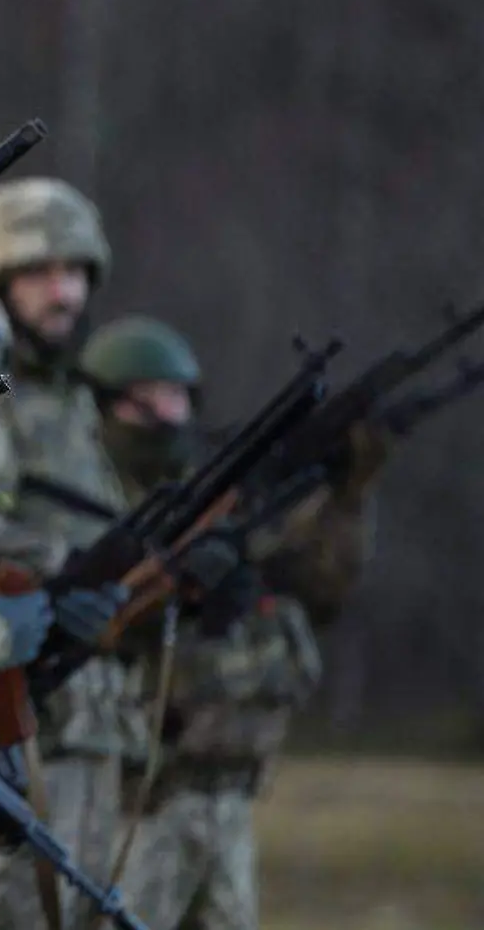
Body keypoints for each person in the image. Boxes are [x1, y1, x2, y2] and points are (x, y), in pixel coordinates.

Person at [79, 315, 380, 930]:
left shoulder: (219, 501)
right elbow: (104, 618)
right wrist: (181, 587)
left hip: (230, 793)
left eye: (178, 397)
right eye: (147, 402)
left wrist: (348, 497)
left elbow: (318, 587)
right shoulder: (92, 504)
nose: (168, 415)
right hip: (140, 799)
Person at [0, 179, 141, 930]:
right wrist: (58, 574)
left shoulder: (76, 401)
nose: (61, 293)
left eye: (74, 272)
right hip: (10, 724)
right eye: (38, 274)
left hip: (88, 720)